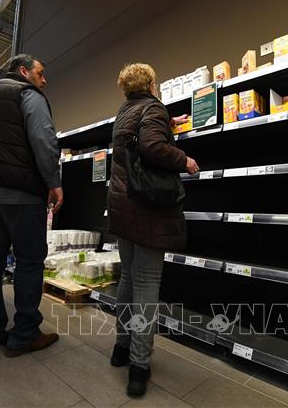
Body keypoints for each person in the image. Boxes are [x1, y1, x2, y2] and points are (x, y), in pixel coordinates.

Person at [0, 54, 63, 358]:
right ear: (23, 71)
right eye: (41, 73)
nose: (44, 80)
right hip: (20, 194)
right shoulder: (27, 94)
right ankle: (24, 335)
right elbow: (44, 140)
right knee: (29, 260)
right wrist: (53, 181)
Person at [107, 63, 199, 397]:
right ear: (150, 84)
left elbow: (138, 140)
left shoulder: (124, 112)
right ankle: (139, 366)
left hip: (122, 204)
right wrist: (184, 160)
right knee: (146, 282)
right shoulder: (154, 108)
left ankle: (121, 347)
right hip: (146, 207)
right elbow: (151, 147)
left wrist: (167, 124)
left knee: (128, 279)